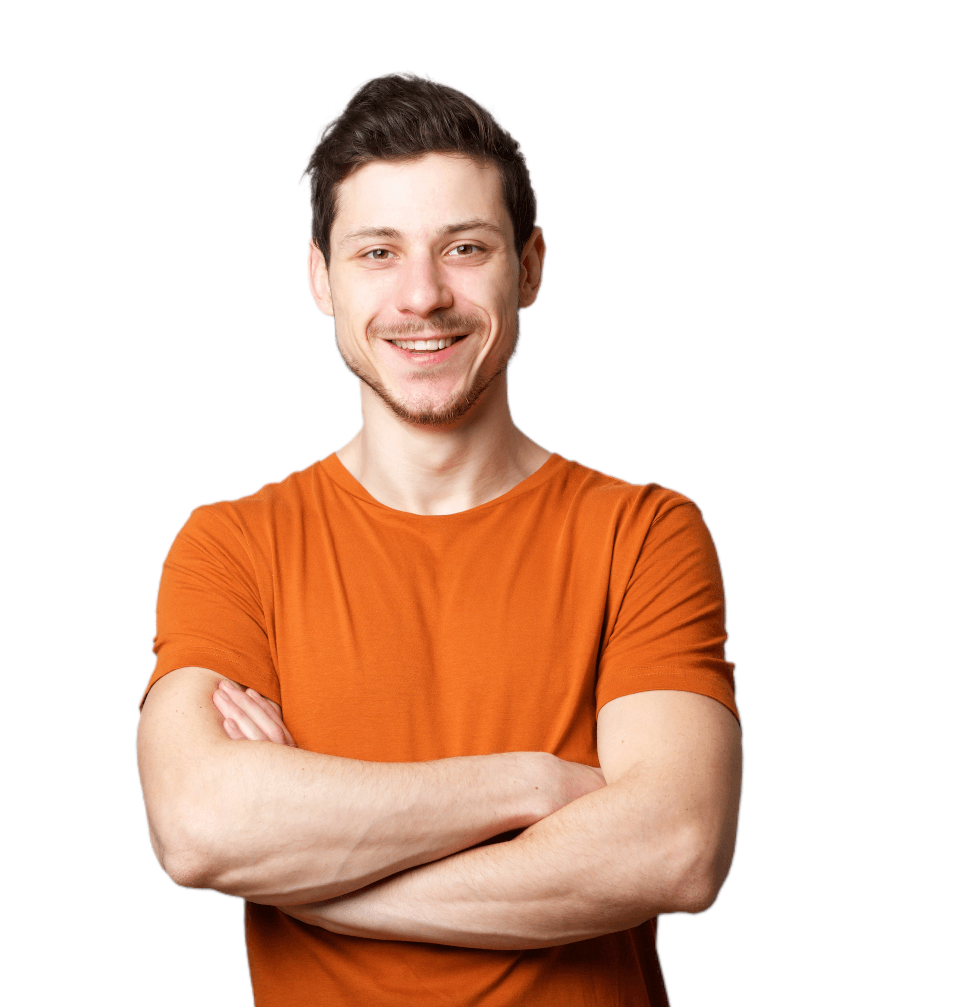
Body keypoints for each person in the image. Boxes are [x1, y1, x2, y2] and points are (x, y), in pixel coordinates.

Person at [137, 74, 742, 1007]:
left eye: (465, 247)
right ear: (321, 277)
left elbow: (676, 845)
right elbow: (200, 824)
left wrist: (324, 882)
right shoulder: (234, 548)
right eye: (377, 252)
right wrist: (534, 784)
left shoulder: (644, 535)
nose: (421, 296)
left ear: (528, 267)